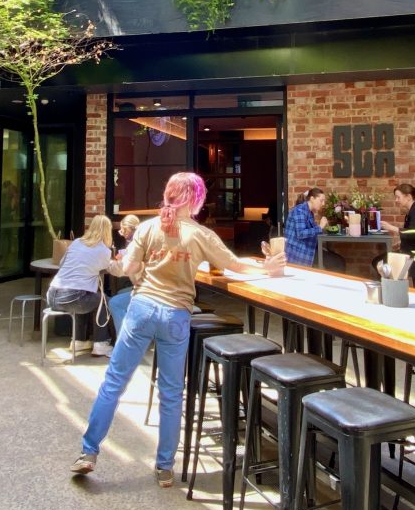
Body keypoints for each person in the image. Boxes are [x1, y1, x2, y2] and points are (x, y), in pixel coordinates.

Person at [71, 172, 286, 487]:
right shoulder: (200, 235)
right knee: (171, 393)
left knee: (114, 383)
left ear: (168, 195)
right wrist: (266, 268)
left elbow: (128, 268)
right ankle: (164, 468)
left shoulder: (146, 228)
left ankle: (88, 453)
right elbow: (235, 265)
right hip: (176, 316)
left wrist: (137, 267)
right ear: (196, 200)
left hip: (142, 309)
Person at [46, 215, 123, 357]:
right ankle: (101, 343)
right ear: (107, 231)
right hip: (71, 297)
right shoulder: (103, 251)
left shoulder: (76, 243)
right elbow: (115, 271)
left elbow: (62, 263)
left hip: (52, 295)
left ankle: (79, 341)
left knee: (88, 297)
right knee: (102, 300)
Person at [105, 215, 143, 341]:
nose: (121, 234)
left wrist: (107, 263)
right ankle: (134, 331)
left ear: (128, 229)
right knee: (122, 293)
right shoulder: (141, 241)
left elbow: (122, 270)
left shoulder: (135, 245)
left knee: (114, 303)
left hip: (145, 289)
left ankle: (124, 341)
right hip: (147, 286)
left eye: (122, 230)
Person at [284, 187, 328, 266]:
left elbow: (313, 231)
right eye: (321, 201)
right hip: (299, 253)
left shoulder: (309, 212)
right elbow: (301, 233)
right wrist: (320, 227)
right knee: (338, 263)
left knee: (335, 259)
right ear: (312, 198)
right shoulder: (299, 211)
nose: (323, 204)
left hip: (307, 248)